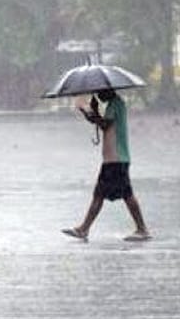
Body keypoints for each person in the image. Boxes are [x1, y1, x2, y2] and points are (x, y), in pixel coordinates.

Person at [62, 88, 151, 242]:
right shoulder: (115, 104)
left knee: (125, 195)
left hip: (116, 158)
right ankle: (84, 228)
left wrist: (92, 111)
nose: (99, 95)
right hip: (113, 158)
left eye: (101, 92)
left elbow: (105, 124)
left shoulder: (115, 104)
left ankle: (142, 228)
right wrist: (88, 112)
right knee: (102, 194)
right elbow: (102, 123)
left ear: (109, 91)